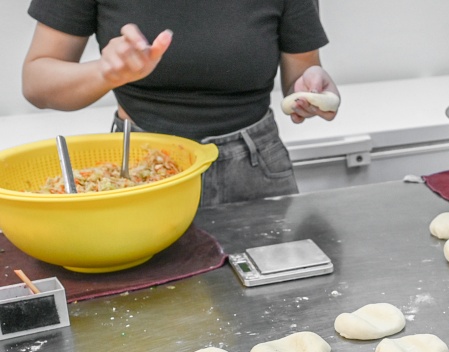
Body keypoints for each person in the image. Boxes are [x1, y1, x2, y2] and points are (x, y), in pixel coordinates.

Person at [22, 0, 338, 207]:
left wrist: (309, 87)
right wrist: (104, 72)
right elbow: (36, 82)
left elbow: (300, 73)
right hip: (138, 169)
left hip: (253, 167)